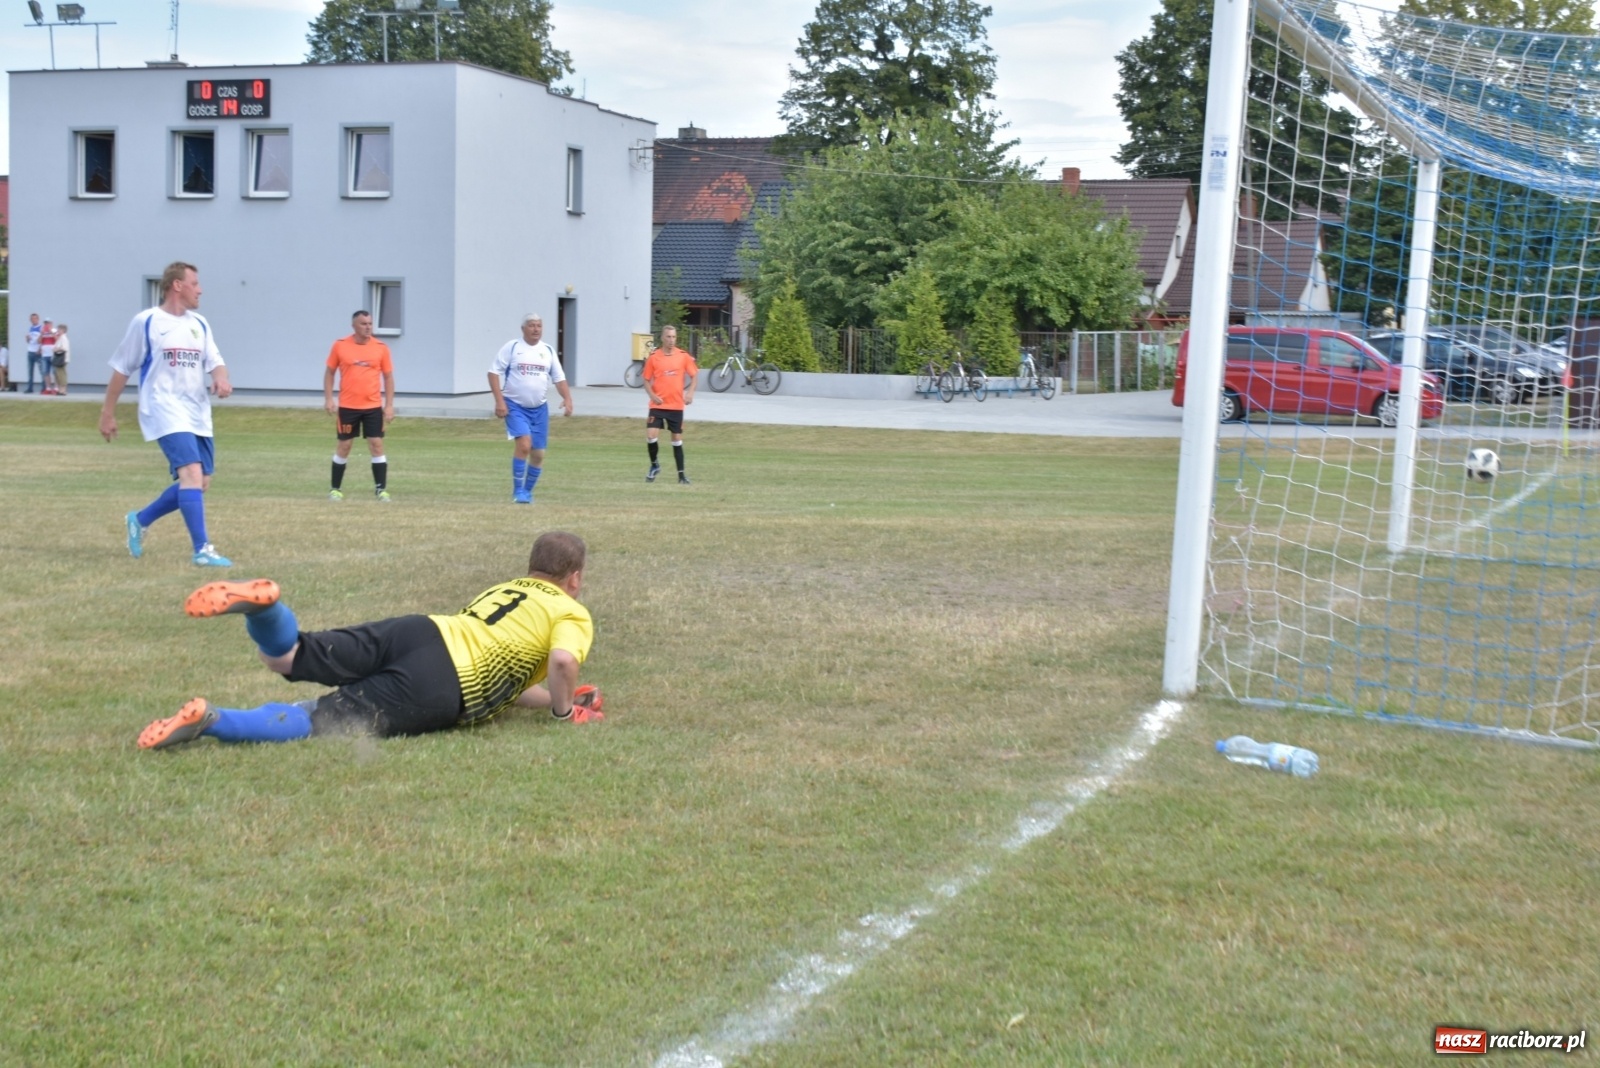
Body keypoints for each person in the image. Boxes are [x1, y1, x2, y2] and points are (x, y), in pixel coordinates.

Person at [135, 530, 604, 750]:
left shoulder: (505, 590)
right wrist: (565, 713)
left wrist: (551, 700)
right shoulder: (570, 610)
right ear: (575, 578)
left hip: (421, 631)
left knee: (288, 656)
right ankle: (211, 720)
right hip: (442, 684)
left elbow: (513, 680)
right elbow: (562, 659)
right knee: (317, 720)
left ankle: (268, 609)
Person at [99, 261, 235, 568]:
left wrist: (221, 378)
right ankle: (202, 549)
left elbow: (216, 361)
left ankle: (140, 519)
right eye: (195, 283)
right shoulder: (146, 321)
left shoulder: (199, 323)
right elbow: (122, 368)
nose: (200, 289)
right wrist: (107, 413)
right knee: (190, 474)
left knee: (199, 483)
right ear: (177, 285)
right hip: (163, 407)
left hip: (197, 411)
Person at [488, 313, 574, 504]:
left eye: (539, 326)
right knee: (524, 445)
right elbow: (493, 373)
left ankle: (527, 492)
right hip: (515, 405)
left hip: (539, 409)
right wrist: (499, 401)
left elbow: (559, 378)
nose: (536, 329)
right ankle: (518, 491)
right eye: (532, 325)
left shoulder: (548, 351)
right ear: (523, 329)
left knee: (538, 454)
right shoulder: (512, 347)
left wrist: (567, 399)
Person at [323, 310, 396, 502]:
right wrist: (329, 399)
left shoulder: (381, 348)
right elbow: (330, 372)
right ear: (354, 326)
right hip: (348, 406)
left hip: (372, 407)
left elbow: (388, 377)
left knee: (376, 445)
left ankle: (381, 490)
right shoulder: (340, 346)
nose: (368, 327)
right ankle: (335, 489)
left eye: (370, 323)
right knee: (344, 446)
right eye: (363, 324)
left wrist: (389, 405)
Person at [642, 324, 697, 484]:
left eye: (674, 337)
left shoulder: (683, 356)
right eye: (668, 337)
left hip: (676, 406)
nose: (671, 340)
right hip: (657, 405)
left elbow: (694, 375)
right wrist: (652, 395)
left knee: (676, 439)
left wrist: (690, 392)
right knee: (651, 435)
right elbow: (645, 379)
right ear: (662, 338)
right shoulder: (654, 357)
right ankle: (654, 465)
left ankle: (681, 476)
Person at [50, 322, 71, 396]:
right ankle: (60, 389)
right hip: (59, 358)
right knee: (58, 374)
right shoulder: (61, 338)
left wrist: (56, 349)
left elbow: (64, 348)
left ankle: (63, 390)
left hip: (62, 359)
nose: (58, 331)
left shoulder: (64, 338)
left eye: (59, 330)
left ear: (63, 330)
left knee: (62, 374)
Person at [38, 319, 57, 395]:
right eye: (45, 323)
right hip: (45, 354)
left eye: (48, 323)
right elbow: (39, 341)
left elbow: (57, 340)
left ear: (51, 323)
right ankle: (48, 388)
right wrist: (41, 334)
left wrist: (51, 332)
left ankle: (56, 388)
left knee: (55, 372)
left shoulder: (54, 330)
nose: (47, 324)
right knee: (45, 372)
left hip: (53, 354)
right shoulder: (42, 331)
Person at [24, 313, 41, 393]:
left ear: (38, 319)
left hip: (37, 352)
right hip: (30, 351)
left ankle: (44, 387)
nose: (33, 320)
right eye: (32, 319)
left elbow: (42, 340)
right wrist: (27, 338)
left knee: (42, 370)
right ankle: (30, 388)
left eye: (35, 318)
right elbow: (28, 341)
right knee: (30, 371)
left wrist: (40, 349)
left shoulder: (40, 328)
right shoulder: (30, 328)